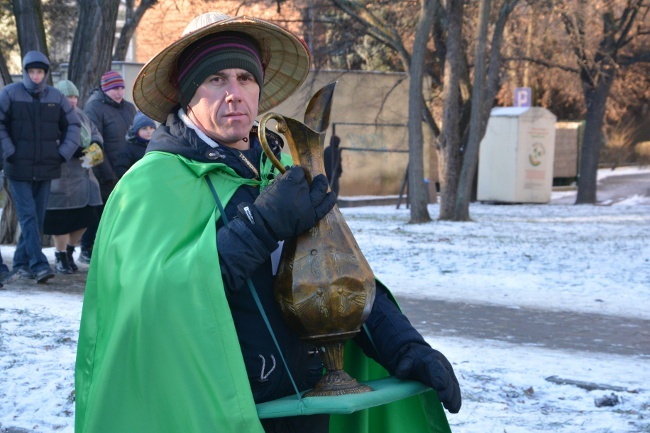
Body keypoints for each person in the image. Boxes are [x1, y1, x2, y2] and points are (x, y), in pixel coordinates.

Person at [75, 12, 460, 433]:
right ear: (187, 95)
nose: (235, 93)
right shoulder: (150, 187)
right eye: (216, 79)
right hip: (214, 412)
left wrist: (403, 345)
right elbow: (154, 306)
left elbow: (336, 275)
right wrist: (260, 225)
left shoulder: (284, 168)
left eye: (246, 78)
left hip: (308, 406)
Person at [0, 51, 80, 283]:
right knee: (28, 216)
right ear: (25, 72)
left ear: (45, 74)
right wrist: (9, 151)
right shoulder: (10, 94)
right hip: (18, 167)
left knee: (37, 217)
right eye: (32, 71)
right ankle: (39, 264)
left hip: (47, 166)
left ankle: (21, 263)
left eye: (40, 72)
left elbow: (72, 126)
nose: (36, 76)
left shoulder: (55, 97)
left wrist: (62, 153)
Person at [43, 80, 104, 274]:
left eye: (75, 96)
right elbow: (50, 142)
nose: (73, 100)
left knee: (88, 217)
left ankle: (69, 250)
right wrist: (73, 149)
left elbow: (95, 133)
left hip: (85, 178)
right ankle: (60, 255)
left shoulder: (83, 116)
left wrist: (96, 145)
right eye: (68, 97)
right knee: (61, 221)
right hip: (62, 180)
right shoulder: (51, 117)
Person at [79, 70, 136, 263]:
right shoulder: (94, 108)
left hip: (127, 168)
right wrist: (105, 173)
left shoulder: (128, 108)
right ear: (105, 89)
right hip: (103, 170)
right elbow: (93, 143)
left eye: (121, 88)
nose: (119, 92)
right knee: (101, 211)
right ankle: (87, 247)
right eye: (114, 89)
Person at [115, 111, 155, 179]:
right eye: (144, 128)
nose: (149, 131)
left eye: (151, 128)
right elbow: (121, 169)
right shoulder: (129, 149)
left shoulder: (158, 145)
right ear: (137, 131)